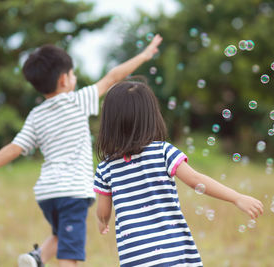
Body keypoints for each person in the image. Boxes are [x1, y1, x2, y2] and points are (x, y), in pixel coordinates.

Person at [0, 35, 163, 267]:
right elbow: (113, 77)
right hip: (72, 192)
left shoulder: (36, 115)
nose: (74, 78)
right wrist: (144, 55)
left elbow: (14, 148)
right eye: (73, 74)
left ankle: (37, 258)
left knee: (62, 234)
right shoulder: (77, 101)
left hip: (47, 194)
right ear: (64, 79)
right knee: (69, 253)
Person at [93, 79, 264, 267]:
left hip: (136, 258)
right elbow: (196, 180)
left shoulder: (105, 168)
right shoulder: (163, 152)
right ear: (151, 117)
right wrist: (236, 197)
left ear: (110, 123)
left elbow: (103, 211)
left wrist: (103, 221)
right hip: (172, 252)